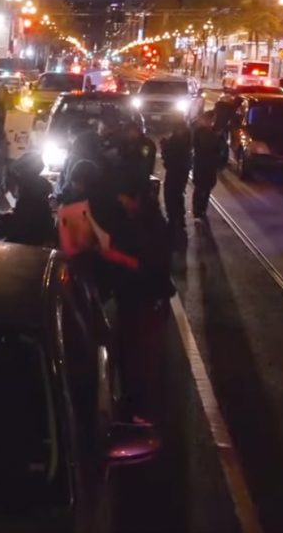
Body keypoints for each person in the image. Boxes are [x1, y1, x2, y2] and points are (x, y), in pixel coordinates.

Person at [112, 176, 175, 422]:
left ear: (136, 198)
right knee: (134, 355)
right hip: (138, 298)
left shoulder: (150, 227)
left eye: (124, 198)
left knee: (140, 357)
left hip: (145, 301)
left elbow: (145, 265)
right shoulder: (144, 221)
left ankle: (140, 413)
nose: (121, 202)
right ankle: (136, 406)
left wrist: (112, 255)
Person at [0, 152, 54, 247]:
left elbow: (21, 224)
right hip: (37, 240)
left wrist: (1, 220)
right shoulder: (41, 188)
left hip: (24, 243)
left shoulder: (26, 189)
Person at [161, 121, 192, 234]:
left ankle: (175, 218)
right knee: (177, 194)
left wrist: (165, 148)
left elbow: (168, 159)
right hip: (181, 171)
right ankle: (178, 217)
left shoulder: (176, 141)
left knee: (172, 194)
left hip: (175, 172)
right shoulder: (186, 139)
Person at [191, 111, 221, 223]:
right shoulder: (201, 131)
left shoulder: (210, 132)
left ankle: (201, 210)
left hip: (208, 164)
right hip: (202, 164)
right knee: (200, 188)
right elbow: (205, 147)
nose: (212, 122)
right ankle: (198, 211)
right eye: (211, 120)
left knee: (206, 187)